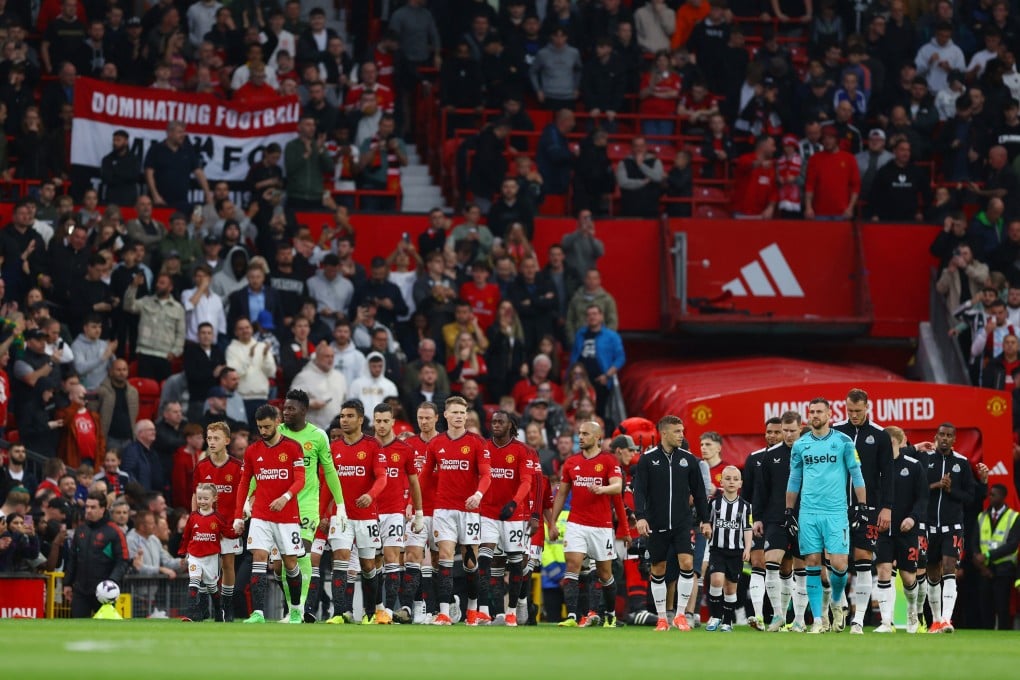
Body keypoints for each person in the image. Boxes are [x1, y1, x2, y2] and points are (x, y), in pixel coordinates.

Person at [785, 398, 868, 634]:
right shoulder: (800, 445)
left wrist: (862, 505)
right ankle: (819, 621)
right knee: (812, 562)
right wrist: (789, 510)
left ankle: (836, 600)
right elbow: (794, 479)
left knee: (840, 565)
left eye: (819, 411)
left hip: (836, 512)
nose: (815, 415)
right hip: (808, 512)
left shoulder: (843, 441)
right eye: (811, 412)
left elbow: (856, 474)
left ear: (830, 414)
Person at [631, 415, 711, 631]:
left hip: (682, 523)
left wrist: (705, 520)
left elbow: (700, 493)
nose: (681, 435)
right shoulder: (647, 459)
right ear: (664, 433)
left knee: (686, 564)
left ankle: (681, 615)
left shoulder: (689, 460)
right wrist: (640, 517)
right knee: (658, 568)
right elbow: (639, 491)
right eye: (677, 431)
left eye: (682, 431)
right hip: (656, 524)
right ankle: (661, 618)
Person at [550, 419, 630, 628]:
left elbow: (617, 487)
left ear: (597, 438)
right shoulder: (571, 462)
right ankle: (572, 616)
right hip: (576, 523)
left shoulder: (609, 461)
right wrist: (553, 523)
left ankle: (610, 614)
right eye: (580, 433)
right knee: (573, 565)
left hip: (601, 526)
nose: (581, 437)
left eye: (585, 434)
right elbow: (561, 494)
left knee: (605, 573)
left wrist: (601, 489)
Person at [419, 396, 492, 625]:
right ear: (446, 415)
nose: (460, 416)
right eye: (456, 412)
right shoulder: (436, 444)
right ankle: (443, 612)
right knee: (444, 558)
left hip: (469, 510)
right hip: (443, 510)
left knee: (471, 563)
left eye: (463, 412)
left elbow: (487, 475)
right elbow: (423, 478)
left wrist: (477, 495)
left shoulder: (477, 442)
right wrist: (414, 504)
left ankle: (472, 609)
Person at [231, 404, 306, 624]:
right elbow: (244, 484)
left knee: (290, 563)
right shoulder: (253, 451)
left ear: (277, 421)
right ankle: (258, 613)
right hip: (261, 515)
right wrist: (238, 515)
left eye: (266, 426)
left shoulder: (293, 448)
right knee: (259, 559)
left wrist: (285, 498)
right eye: (260, 427)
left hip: (287, 516)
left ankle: (295, 610)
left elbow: (300, 479)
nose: (263, 431)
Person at [317, 399, 385, 624]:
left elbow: (382, 477)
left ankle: (369, 613)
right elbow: (327, 485)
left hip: (366, 516)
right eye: (342, 416)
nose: (344, 420)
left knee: (368, 565)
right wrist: (321, 514)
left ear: (361, 419)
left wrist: (370, 495)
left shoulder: (373, 446)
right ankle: (340, 613)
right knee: (341, 560)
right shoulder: (333, 449)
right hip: (341, 515)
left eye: (349, 416)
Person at [834, 388, 895, 635]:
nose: (854, 415)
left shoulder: (880, 436)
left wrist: (887, 508)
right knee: (835, 562)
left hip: (869, 507)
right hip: (837, 505)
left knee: (863, 558)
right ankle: (837, 609)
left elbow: (888, 475)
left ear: (868, 407)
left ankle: (858, 619)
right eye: (850, 410)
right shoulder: (836, 432)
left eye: (858, 411)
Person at [278, 388, 345, 612]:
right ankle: (291, 606)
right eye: (284, 408)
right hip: (280, 504)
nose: (286, 412)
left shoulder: (318, 436)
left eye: (291, 408)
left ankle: (299, 609)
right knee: (280, 564)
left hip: (307, 504)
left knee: (302, 553)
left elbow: (330, 472)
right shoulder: (276, 432)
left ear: (304, 411)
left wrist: (341, 504)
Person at [478, 410, 534, 626]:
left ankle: (511, 611)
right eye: (493, 421)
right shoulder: (484, 448)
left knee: (515, 562)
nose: (496, 425)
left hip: (513, 515)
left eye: (501, 421)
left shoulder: (521, 450)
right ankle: (486, 610)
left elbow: (526, 482)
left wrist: (514, 503)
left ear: (511, 425)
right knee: (485, 558)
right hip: (488, 512)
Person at [753, 411, 805, 631]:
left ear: (801, 428)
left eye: (792, 430)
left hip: (805, 517)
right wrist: (757, 518)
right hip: (776, 518)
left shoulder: (809, 453)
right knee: (772, 564)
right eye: (785, 430)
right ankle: (778, 615)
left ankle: (800, 619)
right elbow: (760, 490)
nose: (788, 435)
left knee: (799, 570)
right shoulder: (771, 455)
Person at [371, 403, 423, 624]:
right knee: (371, 562)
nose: (381, 425)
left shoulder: (405, 450)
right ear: (373, 421)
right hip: (368, 512)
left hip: (393, 512)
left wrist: (418, 512)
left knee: (393, 559)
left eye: (385, 421)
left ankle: (389, 612)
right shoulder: (366, 446)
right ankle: (373, 608)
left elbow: (414, 483)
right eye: (378, 421)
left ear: (393, 422)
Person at [923, 422, 976, 633]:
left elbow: (971, 498)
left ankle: (946, 619)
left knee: (949, 568)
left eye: (949, 436)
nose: (945, 438)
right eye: (942, 435)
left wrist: (951, 489)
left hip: (952, 526)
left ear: (955, 439)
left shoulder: (962, 464)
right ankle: (936, 621)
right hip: (928, 527)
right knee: (933, 574)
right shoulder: (925, 460)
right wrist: (937, 485)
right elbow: (917, 491)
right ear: (936, 436)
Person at [875, 426, 928, 634]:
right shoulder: (876, 469)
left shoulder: (914, 467)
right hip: (882, 530)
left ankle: (913, 612)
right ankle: (887, 622)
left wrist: (913, 519)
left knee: (908, 578)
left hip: (907, 530)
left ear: (899, 442)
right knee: (883, 571)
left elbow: (923, 498)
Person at [193, 421, 242, 622]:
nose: (212, 442)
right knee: (206, 565)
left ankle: (226, 607)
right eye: (209, 438)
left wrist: (242, 515)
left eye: (216, 438)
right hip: (206, 524)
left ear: (227, 441)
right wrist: (193, 519)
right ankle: (206, 607)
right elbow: (194, 495)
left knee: (228, 564)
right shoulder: (202, 466)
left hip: (229, 524)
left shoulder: (238, 467)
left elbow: (246, 493)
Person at [63, 490, 129, 617]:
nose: (88, 510)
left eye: (93, 507)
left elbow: (123, 560)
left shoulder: (115, 532)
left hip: (104, 591)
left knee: (105, 630)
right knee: (77, 627)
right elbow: (73, 558)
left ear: (103, 509)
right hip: (80, 591)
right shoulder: (81, 530)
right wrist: (67, 583)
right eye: (87, 507)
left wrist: (111, 582)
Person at [704, 466, 752, 632]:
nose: (731, 482)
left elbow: (747, 529)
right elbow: (707, 523)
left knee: (731, 588)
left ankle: (727, 621)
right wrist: (706, 529)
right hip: (717, 549)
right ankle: (716, 617)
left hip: (736, 551)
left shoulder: (745, 507)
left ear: (740, 483)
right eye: (728, 478)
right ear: (721, 481)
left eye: (735, 479)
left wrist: (747, 548)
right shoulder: (714, 503)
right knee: (716, 580)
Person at [122, 272, 186, 382]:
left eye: (162, 283)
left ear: (170, 287)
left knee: (164, 392)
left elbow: (180, 334)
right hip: (145, 353)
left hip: (165, 355)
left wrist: (175, 352)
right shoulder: (146, 301)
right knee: (147, 387)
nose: (158, 285)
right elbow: (128, 306)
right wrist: (133, 286)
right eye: (158, 282)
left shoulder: (178, 308)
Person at [973, 482, 1019, 630]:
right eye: (989, 494)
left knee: (1002, 607)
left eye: (994, 494)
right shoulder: (982, 516)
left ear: (1003, 497)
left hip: (1004, 569)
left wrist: (987, 555)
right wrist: (981, 565)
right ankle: (986, 637)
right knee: (985, 607)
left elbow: (1012, 545)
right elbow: (974, 542)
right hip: (984, 569)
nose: (990, 497)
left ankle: (1003, 635)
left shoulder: (1014, 517)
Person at [177, 483, 222, 621]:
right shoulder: (192, 517)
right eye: (200, 498)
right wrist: (184, 553)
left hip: (211, 557)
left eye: (205, 498)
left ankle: (219, 611)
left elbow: (227, 532)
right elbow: (186, 536)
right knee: (194, 583)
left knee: (212, 588)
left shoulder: (217, 518)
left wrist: (237, 532)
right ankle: (191, 615)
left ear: (214, 498)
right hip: (194, 555)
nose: (202, 501)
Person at [144, 121, 211, 213]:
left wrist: (207, 193)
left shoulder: (188, 150)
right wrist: (155, 195)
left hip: (182, 201)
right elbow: (149, 173)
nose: (183, 135)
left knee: (185, 222)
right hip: (161, 201)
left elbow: (198, 172)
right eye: (179, 132)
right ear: (170, 133)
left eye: (183, 132)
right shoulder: (156, 149)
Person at [804, 123, 861, 220]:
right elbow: (810, 185)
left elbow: (855, 186)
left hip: (843, 212)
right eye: (825, 138)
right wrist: (808, 207)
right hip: (819, 212)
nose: (827, 141)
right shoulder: (814, 159)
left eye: (830, 138)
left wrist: (850, 208)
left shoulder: (849, 158)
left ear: (837, 140)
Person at [225, 317, 276, 424]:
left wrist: (266, 355)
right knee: (244, 434)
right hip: (242, 399)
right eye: (241, 328)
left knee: (262, 436)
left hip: (262, 398)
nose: (245, 330)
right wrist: (250, 357)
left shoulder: (262, 347)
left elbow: (271, 372)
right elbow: (236, 373)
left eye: (247, 327)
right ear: (235, 332)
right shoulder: (231, 349)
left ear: (252, 329)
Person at [290, 344, 347, 430]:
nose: (330, 359)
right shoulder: (304, 377)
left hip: (336, 430)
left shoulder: (340, 377)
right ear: (317, 357)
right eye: (327, 356)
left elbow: (344, 401)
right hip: (312, 430)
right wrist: (311, 403)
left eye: (332, 356)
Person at [616, 137, 664, 218]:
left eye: (642, 146)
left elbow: (658, 177)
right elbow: (622, 183)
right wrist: (642, 182)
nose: (639, 149)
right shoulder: (623, 163)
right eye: (636, 146)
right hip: (629, 211)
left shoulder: (656, 161)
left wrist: (641, 165)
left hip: (650, 211)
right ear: (632, 147)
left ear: (646, 147)